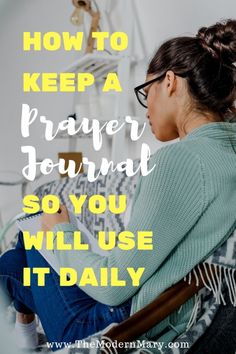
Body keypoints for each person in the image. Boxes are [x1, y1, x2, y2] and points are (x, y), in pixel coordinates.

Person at [0, 18, 236, 352]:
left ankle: (23, 339)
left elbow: (114, 287)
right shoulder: (227, 151)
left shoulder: (179, 161)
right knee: (16, 259)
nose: (146, 111)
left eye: (146, 93)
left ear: (169, 82)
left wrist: (61, 233)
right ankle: (24, 336)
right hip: (164, 309)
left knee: (34, 230)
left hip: (127, 325)